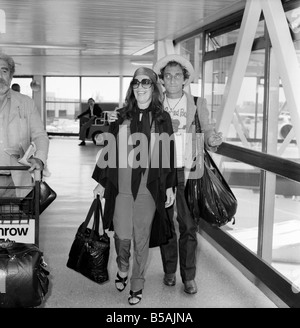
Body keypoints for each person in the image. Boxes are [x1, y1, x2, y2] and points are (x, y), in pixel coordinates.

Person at [92, 67, 177, 306]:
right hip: (121, 188)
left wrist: (170, 186)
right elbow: (108, 150)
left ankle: (137, 284)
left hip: (148, 190)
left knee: (141, 238)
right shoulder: (121, 116)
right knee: (122, 236)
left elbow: (168, 152)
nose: (140, 87)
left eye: (146, 83)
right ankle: (122, 267)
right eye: (136, 83)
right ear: (132, 87)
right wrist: (101, 183)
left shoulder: (162, 118)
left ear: (153, 87)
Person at [153, 54, 223, 294]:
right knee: (166, 224)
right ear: (162, 79)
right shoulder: (155, 104)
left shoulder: (196, 102)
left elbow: (209, 129)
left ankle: (189, 276)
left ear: (184, 79)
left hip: (189, 171)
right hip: (162, 172)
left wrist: (212, 139)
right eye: (168, 75)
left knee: (189, 225)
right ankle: (170, 270)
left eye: (177, 75)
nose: (172, 79)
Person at [0, 53, 49, 201]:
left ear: (11, 75)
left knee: (13, 223)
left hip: (17, 181)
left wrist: (39, 159)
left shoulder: (26, 103)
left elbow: (39, 135)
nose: (0, 76)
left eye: (4, 71)